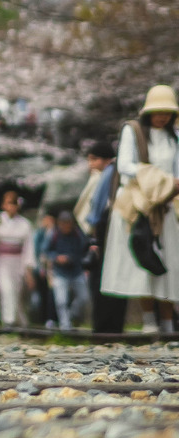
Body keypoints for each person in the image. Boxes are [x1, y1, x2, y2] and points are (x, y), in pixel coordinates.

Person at [101, 85, 179, 334]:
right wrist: (155, 178)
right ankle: (148, 321)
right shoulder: (132, 131)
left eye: (167, 111)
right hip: (138, 204)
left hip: (166, 205)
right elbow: (125, 165)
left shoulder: (173, 137)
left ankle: (168, 323)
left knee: (170, 262)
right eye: (158, 111)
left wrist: (169, 186)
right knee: (141, 258)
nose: (162, 116)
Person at [75, 142, 124, 333]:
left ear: (105, 159)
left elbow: (96, 209)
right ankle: (110, 325)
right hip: (109, 230)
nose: (90, 165)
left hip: (105, 230)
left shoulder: (108, 174)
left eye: (93, 159)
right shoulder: (109, 173)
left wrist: (93, 237)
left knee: (102, 279)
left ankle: (104, 325)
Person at [0, 190, 36, 327]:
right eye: (8, 203)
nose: (11, 207)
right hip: (2, 261)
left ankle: (18, 320)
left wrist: (28, 269)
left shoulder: (25, 224)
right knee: (6, 290)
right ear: (3, 205)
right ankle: (8, 321)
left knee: (17, 293)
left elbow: (29, 248)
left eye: (13, 204)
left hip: (18, 261)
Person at [47, 210, 91, 330]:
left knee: (84, 297)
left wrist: (71, 258)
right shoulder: (54, 235)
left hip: (76, 271)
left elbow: (84, 251)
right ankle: (65, 326)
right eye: (64, 223)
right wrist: (56, 257)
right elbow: (47, 251)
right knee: (61, 300)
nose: (66, 226)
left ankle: (72, 315)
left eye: (68, 223)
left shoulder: (78, 234)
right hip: (60, 272)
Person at [31, 211, 58, 327]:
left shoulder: (55, 233)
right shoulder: (39, 234)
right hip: (41, 267)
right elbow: (38, 250)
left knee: (52, 294)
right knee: (42, 294)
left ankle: (52, 318)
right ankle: (43, 318)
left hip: (53, 268)